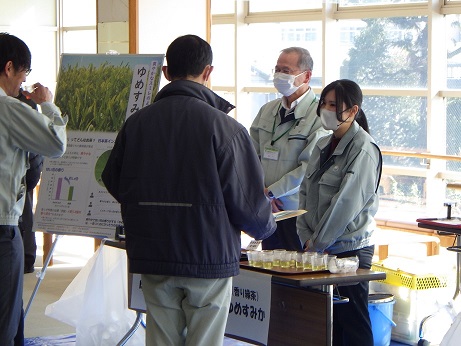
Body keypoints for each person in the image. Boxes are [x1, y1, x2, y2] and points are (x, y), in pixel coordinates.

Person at [102, 34, 276, 346]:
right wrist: (265, 227)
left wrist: (145, 210)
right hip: (208, 256)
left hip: (153, 252)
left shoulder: (136, 124)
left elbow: (113, 179)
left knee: (161, 338)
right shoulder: (225, 128)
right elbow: (247, 201)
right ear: (208, 72)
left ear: (166, 72)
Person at [296, 79, 382, 346]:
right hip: (317, 246)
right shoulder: (322, 144)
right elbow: (304, 193)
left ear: (353, 111)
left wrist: (317, 242)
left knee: (352, 318)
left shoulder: (364, 149)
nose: (326, 110)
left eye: (334, 105)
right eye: (324, 103)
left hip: (350, 248)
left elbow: (346, 204)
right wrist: (306, 237)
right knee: (325, 319)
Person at [0, 32, 68, 345]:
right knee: (7, 320)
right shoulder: (9, 110)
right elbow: (55, 144)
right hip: (2, 231)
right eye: (24, 74)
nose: (23, 83)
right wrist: (48, 106)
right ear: (10, 68)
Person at [250, 47, 329, 251]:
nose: (279, 76)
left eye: (286, 71)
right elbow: (249, 156)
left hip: (297, 212)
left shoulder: (319, 115)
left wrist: (272, 193)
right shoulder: (267, 110)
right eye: (277, 69)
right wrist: (261, 194)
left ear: (307, 76)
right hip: (266, 210)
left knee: (296, 273)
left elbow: (308, 167)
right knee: (269, 274)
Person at [15, 89, 44, 274]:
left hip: (22, 176)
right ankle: (26, 259)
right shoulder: (26, 103)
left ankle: (26, 258)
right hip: (24, 176)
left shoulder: (26, 102)